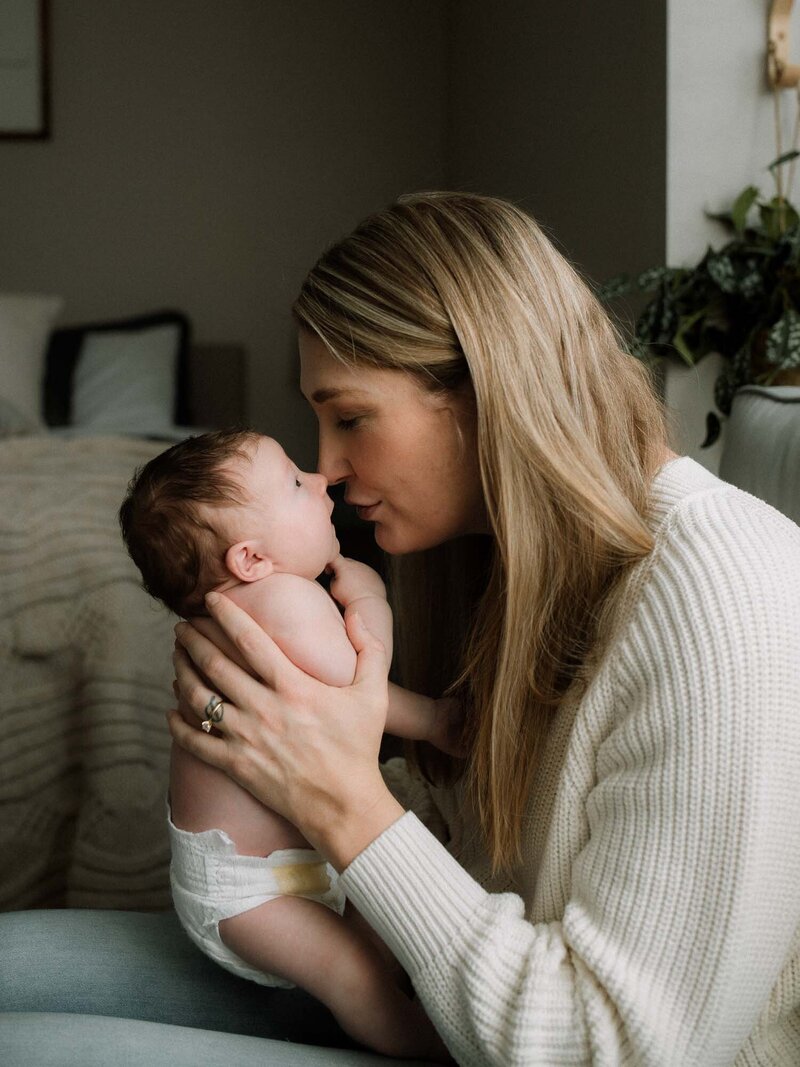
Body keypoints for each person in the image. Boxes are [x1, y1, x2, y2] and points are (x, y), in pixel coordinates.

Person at [2, 192, 799, 1066]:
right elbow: (469, 853)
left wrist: (335, 792)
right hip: (440, 994)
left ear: (487, 384)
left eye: (349, 417)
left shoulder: (723, 589)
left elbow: (615, 1047)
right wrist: (276, 758)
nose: (331, 470)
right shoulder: (504, 559)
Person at [118, 429, 452, 1062]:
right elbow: (359, 688)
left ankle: (391, 1021)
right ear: (251, 560)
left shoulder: (238, 609)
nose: (322, 480)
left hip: (270, 875)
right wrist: (372, 602)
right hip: (253, 893)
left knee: (373, 952)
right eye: (297, 484)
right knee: (358, 976)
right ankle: (429, 1050)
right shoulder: (282, 602)